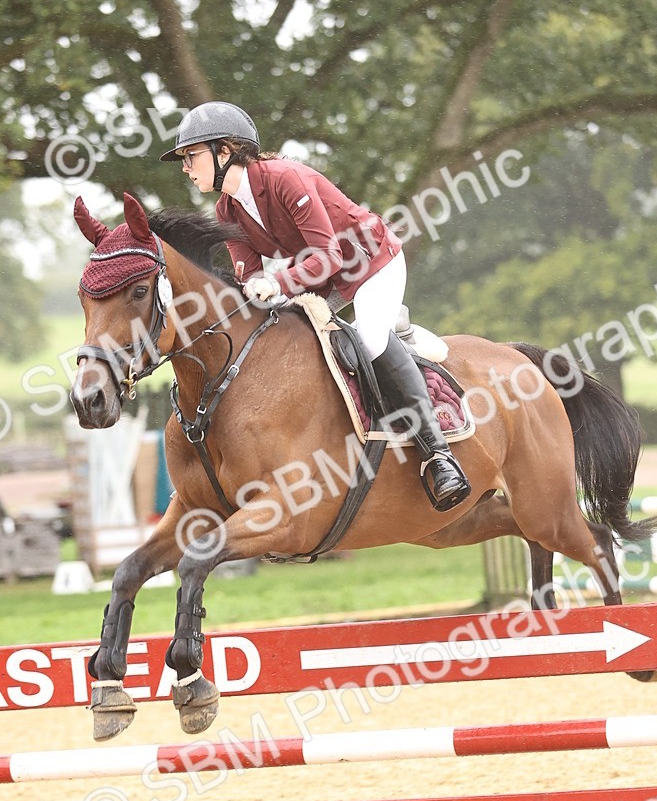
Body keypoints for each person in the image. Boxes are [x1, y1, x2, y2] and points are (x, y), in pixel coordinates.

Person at [160, 101, 470, 511]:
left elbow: (329, 255)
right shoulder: (226, 209)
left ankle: (438, 455)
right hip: (320, 278)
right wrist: (248, 295)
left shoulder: (285, 178)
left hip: (370, 262)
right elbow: (249, 277)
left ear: (224, 151)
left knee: (370, 340)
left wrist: (276, 283)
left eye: (191, 155)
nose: (186, 167)